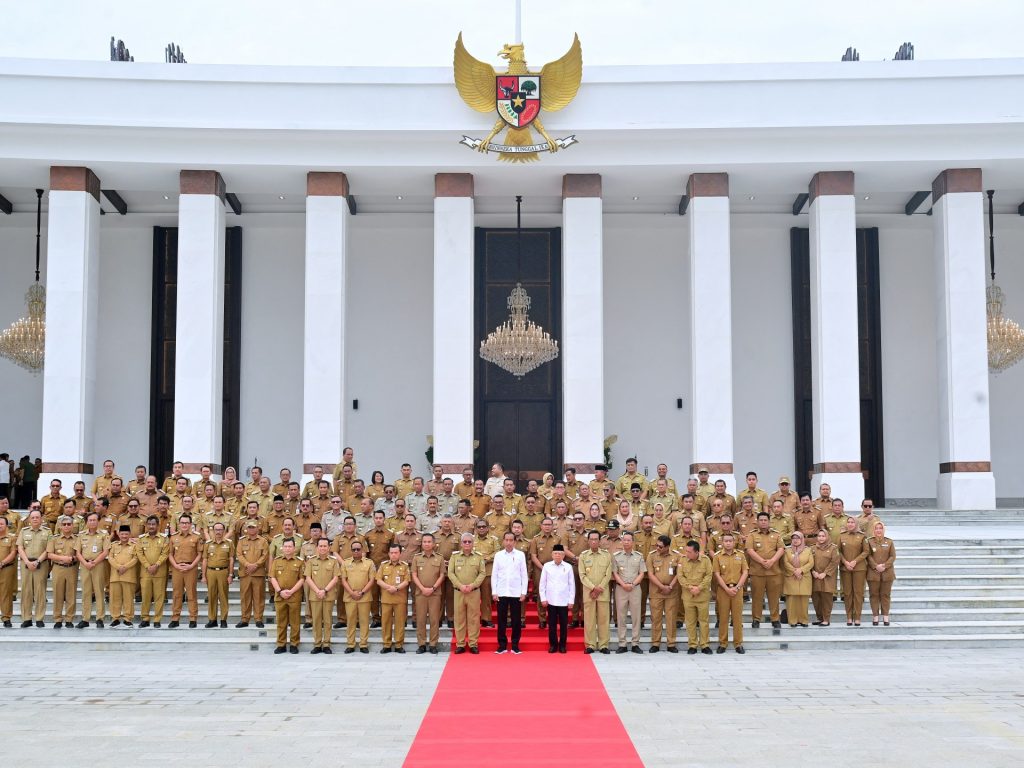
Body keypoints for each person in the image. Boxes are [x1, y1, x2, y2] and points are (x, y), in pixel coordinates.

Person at [745, 511, 785, 629]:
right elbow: (749, 550)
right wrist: (762, 561)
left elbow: (781, 549)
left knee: (774, 598)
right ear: (757, 522)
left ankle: (775, 619)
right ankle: (756, 619)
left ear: (769, 522)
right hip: (757, 572)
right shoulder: (752, 535)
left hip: (774, 572)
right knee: (757, 597)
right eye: (761, 520)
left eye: (765, 520)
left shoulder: (776, 535)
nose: (763, 522)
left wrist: (772, 561)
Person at [491, 530, 528, 654]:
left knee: (516, 620)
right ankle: (502, 645)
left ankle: (515, 645)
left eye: (511, 540)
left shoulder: (520, 555)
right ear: (503, 541)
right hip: (501, 591)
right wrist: (494, 591)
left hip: (516, 592)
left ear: (515, 541)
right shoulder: (498, 555)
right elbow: (494, 574)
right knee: (501, 620)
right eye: (506, 540)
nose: (508, 542)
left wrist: (523, 592)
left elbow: (524, 574)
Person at [448, 533, 486, 654]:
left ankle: (473, 643)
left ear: (473, 543)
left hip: (473, 592)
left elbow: (482, 573)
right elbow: (450, 573)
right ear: (461, 543)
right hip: (459, 592)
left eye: (469, 542)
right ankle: (460, 644)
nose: (467, 544)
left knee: (474, 618)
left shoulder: (478, 557)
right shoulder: (454, 557)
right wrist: (460, 585)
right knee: (459, 618)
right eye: (465, 542)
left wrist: (472, 585)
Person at [712, 532, 747, 653]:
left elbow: (745, 572)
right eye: (726, 541)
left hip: (737, 589)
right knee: (723, 618)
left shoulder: (741, 555)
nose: (728, 543)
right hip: (723, 590)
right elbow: (716, 574)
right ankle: (723, 643)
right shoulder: (717, 556)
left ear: (734, 542)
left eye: (730, 541)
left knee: (737, 618)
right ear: (722, 543)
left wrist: (737, 588)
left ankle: (738, 644)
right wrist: (726, 589)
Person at [579, 530, 613, 654]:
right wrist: (593, 588)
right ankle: (590, 645)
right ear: (588, 541)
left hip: (603, 592)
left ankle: (604, 645)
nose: (593, 541)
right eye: (591, 539)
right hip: (589, 593)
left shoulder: (606, 555)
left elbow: (608, 574)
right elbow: (582, 575)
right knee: (589, 620)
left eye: (596, 539)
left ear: (599, 541)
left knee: (604, 619)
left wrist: (599, 588)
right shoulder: (583, 556)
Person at [412, 532, 446, 654]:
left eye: (429, 542)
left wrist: (432, 588)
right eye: (424, 542)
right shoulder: (416, 557)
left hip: (435, 594)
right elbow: (414, 575)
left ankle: (433, 644)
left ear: (433, 544)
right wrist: (422, 588)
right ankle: (421, 644)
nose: (427, 544)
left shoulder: (439, 557)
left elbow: (442, 575)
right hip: (421, 593)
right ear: (421, 543)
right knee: (420, 619)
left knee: (434, 619)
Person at [305, 537, 340, 654]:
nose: (323, 548)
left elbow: (335, 578)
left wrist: (324, 590)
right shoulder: (311, 560)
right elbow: (308, 578)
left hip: (328, 595)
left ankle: (326, 644)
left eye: (325, 546)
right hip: (315, 596)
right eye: (320, 546)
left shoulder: (334, 561)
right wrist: (317, 591)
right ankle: (317, 644)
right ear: (317, 547)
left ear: (329, 547)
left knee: (328, 620)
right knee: (316, 620)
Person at [612, 531, 646, 653]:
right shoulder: (616, 556)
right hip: (621, 589)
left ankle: (635, 643)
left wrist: (632, 584)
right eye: (624, 540)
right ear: (621, 541)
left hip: (635, 588)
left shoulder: (639, 556)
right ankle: (622, 643)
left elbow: (642, 573)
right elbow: (615, 573)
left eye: (628, 540)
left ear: (632, 542)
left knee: (636, 617)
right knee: (621, 617)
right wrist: (623, 584)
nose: (626, 542)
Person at [646, 534, 680, 653]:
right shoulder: (651, 556)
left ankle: (671, 643)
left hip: (672, 592)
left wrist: (670, 586)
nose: (658, 548)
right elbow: (650, 574)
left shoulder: (676, 556)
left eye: (660, 547)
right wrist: (662, 586)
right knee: (656, 618)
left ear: (667, 547)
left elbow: (678, 573)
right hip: (656, 592)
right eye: (657, 545)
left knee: (671, 618)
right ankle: (655, 643)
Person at [679, 540, 714, 654]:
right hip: (688, 596)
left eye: (689, 551)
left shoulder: (706, 560)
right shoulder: (683, 560)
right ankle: (692, 645)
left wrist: (699, 588)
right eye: (686, 551)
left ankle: (705, 645)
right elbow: (680, 576)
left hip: (702, 596)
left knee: (704, 621)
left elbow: (709, 575)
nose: (686, 553)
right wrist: (690, 587)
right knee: (690, 622)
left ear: (696, 552)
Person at [270, 538, 304, 654]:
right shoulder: (276, 561)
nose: (288, 548)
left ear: (294, 548)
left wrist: (291, 591)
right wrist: (280, 591)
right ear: (282, 548)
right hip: (280, 596)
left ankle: (294, 644)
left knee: (295, 622)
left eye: (290, 546)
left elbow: (302, 579)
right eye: (286, 546)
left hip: (294, 597)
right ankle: (281, 644)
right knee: (281, 621)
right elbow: (272, 577)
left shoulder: (299, 561)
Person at [75, 511, 109, 628]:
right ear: (87, 522)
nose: (92, 522)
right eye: (90, 520)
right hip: (85, 566)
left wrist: (94, 562)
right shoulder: (81, 535)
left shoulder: (104, 534)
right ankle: (85, 618)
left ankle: (100, 618)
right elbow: (78, 552)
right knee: (86, 592)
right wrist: (85, 563)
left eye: (94, 520)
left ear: (98, 521)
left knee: (99, 591)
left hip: (98, 565)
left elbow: (105, 552)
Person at [167, 514, 202, 628]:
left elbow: (200, 554)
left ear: (191, 524)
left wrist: (191, 565)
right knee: (177, 594)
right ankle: (175, 618)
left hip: (190, 568)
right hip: (177, 568)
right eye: (182, 523)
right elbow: (170, 554)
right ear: (179, 524)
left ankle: (193, 619)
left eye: (187, 523)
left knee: (191, 594)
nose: (184, 525)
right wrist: (175, 566)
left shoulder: (196, 537)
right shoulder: (173, 537)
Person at [539, 543, 574, 653]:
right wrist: (543, 598)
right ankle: (553, 645)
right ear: (552, 555)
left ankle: (563, 645)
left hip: (564, 601)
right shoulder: (547, 566)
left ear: (564, 555)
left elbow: (571, 584)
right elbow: (542, 584)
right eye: (555, 553)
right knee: (552, 625)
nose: (558, 555)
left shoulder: (568, 567)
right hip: (551, 600)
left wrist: (571, 600)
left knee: (564, 625)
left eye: (560, 553)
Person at [341, 541, 376, 653]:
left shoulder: (369, 563)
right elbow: (343, 580)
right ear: (351, 551)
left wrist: (362, 592)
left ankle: (363, 644)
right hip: (350, 597)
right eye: (354, 549)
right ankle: (350, 644)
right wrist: (352, 593)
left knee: (364, 621)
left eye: (358, 549)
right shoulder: (345, 563)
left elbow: (372, 580)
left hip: (364, 597)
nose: (356, 551)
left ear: (362, 550)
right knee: (350, 621)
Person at [377, 543, 411, 653]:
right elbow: (378, 580)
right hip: (386, 599)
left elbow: (406, 581)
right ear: (388, 554)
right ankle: (386, 644)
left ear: (400, 553)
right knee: (386, 622)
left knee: (400, 622)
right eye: (391, 553)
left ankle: (398, 644)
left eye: (396, 553)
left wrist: (396, 588)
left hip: (400, 599)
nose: (393, 555)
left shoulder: (404, 566)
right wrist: (388, 587)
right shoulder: (383, 565)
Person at [137, 515, 169, 628]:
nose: (151, 526)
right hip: (145, 572)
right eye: (149, 524)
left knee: (159, 597)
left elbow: (165, 553)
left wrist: (156, 565)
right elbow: (139, 554)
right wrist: (147, 566)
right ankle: (145, 618)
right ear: (146, 525)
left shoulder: (164, 538)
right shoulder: (141, 538)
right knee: (145, 596)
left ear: (157, 525)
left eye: (153, 524)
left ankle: (157, 619)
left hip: (159, 572)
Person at [47, 516, 79, 627]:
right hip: (58, 568)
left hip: (72, 568)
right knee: (57, 594)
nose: (66, 526)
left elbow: (80, 554)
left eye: (69, 524)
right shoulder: (54, 538)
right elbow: (49, 554)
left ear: (72, 525)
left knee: (71, 594)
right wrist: (62, 558)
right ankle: (58, 619)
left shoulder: (77, 539)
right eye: (64, 524)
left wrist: (73, 558)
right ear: (60, 526)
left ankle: (69, 619)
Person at [201, 523, 234, 628]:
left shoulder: (229, 543)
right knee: (211, 596)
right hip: (211, 572)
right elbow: (205, 559)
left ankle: (223, 620)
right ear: (213, 531)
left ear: (224, 531)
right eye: (216, 530)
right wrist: (203, 575)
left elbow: (231, 559)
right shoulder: (208, 543)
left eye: (220, 529)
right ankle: (212, 619)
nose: (218, 532)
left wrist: (230, 574)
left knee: (223, 596)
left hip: (223, 572)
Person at [838, 516, 869, 626]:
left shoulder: (862, 536)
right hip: (845, 568)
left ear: (856, 524)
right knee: (847, 593)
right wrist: (845, 562)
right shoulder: (842, 536)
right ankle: (849, 617)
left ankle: (857, 617)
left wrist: (855, 561)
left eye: (852, 522)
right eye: (849, 522)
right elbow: (838, 551)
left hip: (859, 568)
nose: (850, 524)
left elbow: (866, 551)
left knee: (858, 593)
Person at [865, 521, 896, 626]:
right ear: (873, 530)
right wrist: (875, 566)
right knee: (874, 595)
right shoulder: (869, 542)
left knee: (885, 595)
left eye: (880, 528)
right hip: (873, 573)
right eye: (876, 528)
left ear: (883, 530)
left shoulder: (889, 542)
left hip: (887, 573)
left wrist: (884, 566)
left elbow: (892, 556)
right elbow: (868, 556)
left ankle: (886, 616)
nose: (878, 530)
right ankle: (875, 616)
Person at [108, 525, 139, 626]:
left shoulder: (134, 546)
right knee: (114, 598)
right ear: (119, 534)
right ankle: (115, 618)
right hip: (115, 576)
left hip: (129, 576)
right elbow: (110, 558)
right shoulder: (114, 545)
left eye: (126, 534)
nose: (124, 536)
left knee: (128, 598)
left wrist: (125, 567)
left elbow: (135, 558)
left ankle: (127, 618)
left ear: (129, 534)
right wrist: (118, 567)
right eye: (122, 534)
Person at [783, 531, 814, 627]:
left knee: (804, 600)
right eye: (793, 538)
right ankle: (792, 620)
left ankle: (803, 620)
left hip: (804, 577)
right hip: (791, 577)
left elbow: (811, 563)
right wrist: (794, 571)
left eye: (798, 538)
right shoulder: (787, 550)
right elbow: (785, 562)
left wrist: (801, 570)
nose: (795, 540)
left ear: (802, 539)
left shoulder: (808, 550)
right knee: (792, 600)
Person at [810, 529, 840, 626]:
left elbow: (835, 561)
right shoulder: (813, 548)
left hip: (827, 577)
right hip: (815, 577)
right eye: (819, 536)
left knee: (826, 599)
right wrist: (813, 571)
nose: (821, 538)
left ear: (827, 537)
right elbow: (809, 561)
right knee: (816, 599)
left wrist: (825, 573)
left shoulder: (833, 548)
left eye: (823, 536)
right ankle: (819, 618)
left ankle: (826, 619)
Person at [0, 516, 17, 627]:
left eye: (1, 524)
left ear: (6, 525)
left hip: (6, 569)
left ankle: (6, 618)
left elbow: (13, 553)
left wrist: (2, 563)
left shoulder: (12, 538)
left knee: (6, 594)